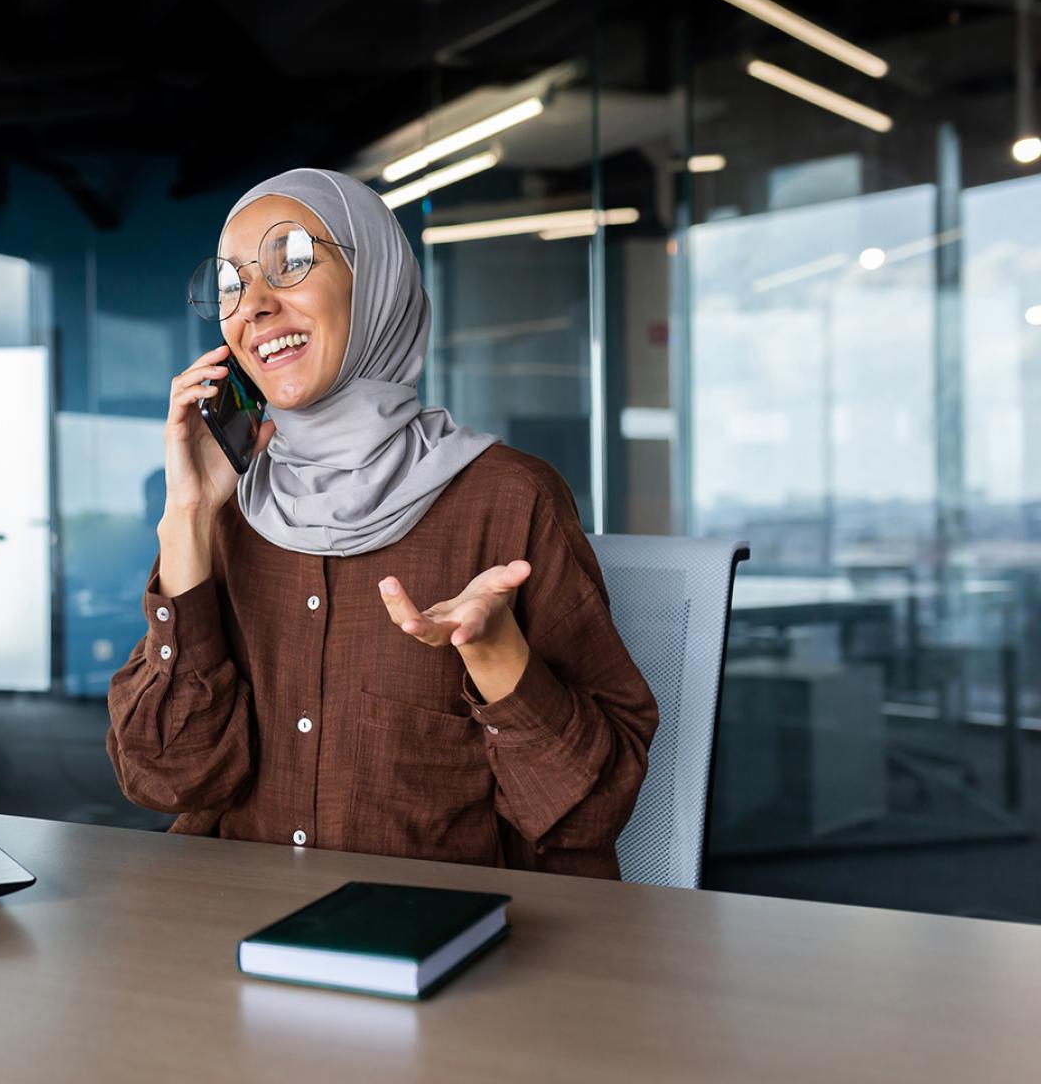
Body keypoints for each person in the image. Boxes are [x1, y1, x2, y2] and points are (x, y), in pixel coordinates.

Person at [105, 168, 657, 879]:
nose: (257, 306)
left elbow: (591, 812)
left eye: (292, 262)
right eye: (231, 287)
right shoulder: (222, 509)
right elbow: (165, 780)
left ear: (375, 283)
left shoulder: (509, 498)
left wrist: (493, 654)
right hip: (230, 936)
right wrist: (186, 518)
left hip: (445, 949)